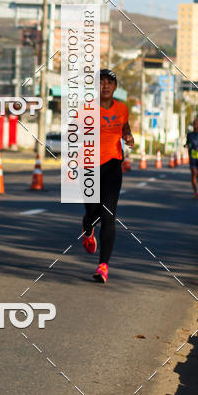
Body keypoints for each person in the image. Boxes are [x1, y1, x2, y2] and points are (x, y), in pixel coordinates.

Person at [81, 68, 134, 283]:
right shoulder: (87, 109)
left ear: (115, 87)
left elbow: (125, 129)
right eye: (101, 82)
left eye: (109, 82)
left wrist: (129, 137)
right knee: (92, 212)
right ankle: (87, 229)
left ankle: (103, 266)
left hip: (113, 166)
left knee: (108, 215)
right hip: (90, 167)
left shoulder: (122, 109)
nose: (105, 85)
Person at [185, 118, 198, 197]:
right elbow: (187, 144)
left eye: (196, 123)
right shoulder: (189, 135)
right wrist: (187, 146)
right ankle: (195, 192)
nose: (195, 125)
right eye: (194, 123)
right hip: (193, 156)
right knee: (194, 173)